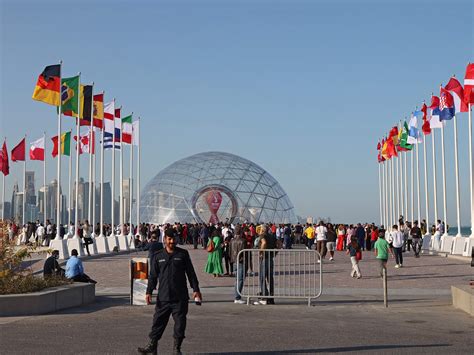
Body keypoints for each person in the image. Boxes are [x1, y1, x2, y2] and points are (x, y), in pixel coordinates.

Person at [138, 228, 201, 355]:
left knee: (180, 324)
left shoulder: (182, 254)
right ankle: (152, 346)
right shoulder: (158, 256)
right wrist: (149, 291)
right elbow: (153, 276)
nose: (172, 241)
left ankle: (176, 349)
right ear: (165, 239)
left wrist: (196, 290)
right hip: (164, 297)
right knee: (158, 322)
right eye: (169, 239)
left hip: (180, 297)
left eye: (174, 239)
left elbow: (191, 273)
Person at [254, 225, 276, 305]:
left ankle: (264, 297)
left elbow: (264, 242)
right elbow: (279, 244)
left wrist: (261, 252)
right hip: (270, 258)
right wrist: (274, 253)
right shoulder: (272, 236)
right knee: (270, 278)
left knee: (262, 278)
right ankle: (271, 298)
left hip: (264, 258)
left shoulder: (262, 236)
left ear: (262, 230)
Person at [229, 225, 247, 304]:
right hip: (241, 261)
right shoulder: (243, 241)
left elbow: (229, 252)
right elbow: (245, 252)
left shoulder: (231, 241)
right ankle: (237, 297)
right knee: (240, 279)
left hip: (234, 261)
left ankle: (237, 296)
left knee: (237, 279)